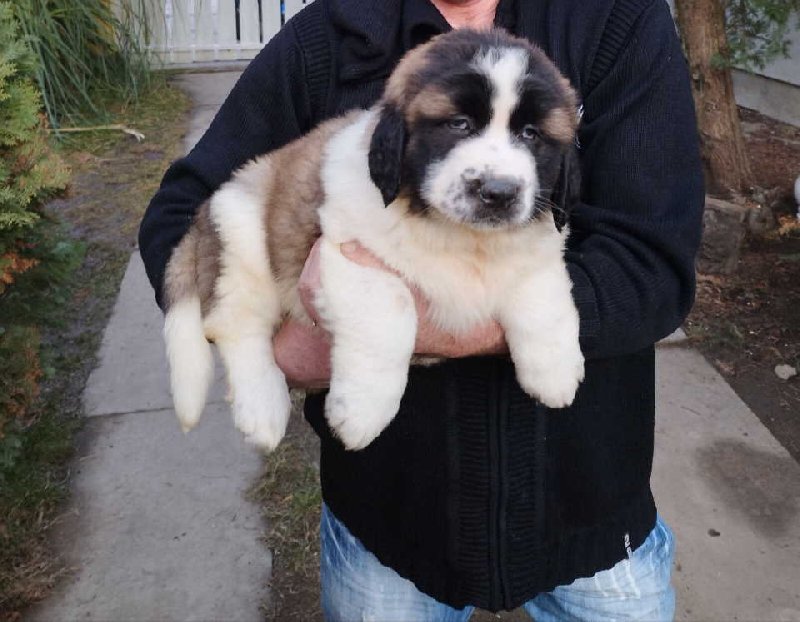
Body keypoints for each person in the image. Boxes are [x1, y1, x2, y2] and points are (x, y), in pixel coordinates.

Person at [139, 0, 704, 619]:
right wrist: (267, 352)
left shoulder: (616, 16)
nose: (497, 174)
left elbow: (652, 263)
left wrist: (492, 326)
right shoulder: (330, 35)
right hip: (388, 524)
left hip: (594, 508)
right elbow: (183, 213)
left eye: (528, 136)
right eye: (457, 124)